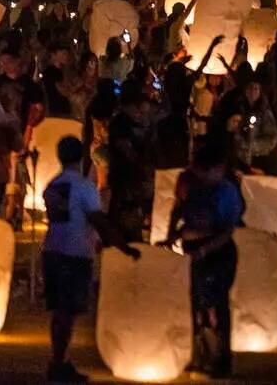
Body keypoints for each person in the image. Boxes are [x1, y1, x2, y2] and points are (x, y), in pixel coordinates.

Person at [42, 136, 140, 383]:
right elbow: (98, 220)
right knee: (68, 311)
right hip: (74, 254)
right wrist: (123, 247)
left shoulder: (52, 185)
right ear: (81, 156)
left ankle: (59, 360)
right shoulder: (85, 186)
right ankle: (59, 364)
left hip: (52, 250)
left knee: (59, 311)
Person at [164, 143, 244, 378]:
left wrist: (205, 249)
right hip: (197, 252)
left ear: (217, 168)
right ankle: (201, 356)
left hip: (216, 254)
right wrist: (175, 235)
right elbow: (184, 214)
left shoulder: (226, 191)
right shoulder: (197, 186)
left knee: (216, 306)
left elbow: (226, 230)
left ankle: (221, 359)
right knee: (197, 304)